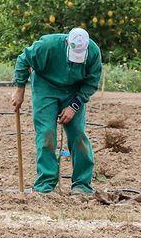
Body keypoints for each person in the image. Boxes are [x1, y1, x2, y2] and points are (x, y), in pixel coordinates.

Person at [11, 27, 102, 195]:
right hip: (45, 87)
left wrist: (74, 106)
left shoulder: (93, 53)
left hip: (74, 92)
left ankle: (82, 184)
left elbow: (92, 82)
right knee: (46, 134)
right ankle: (46, 184)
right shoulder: (47, 45)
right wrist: (20, 88)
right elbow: (24, 59)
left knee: (78, 134)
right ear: (67, 42)